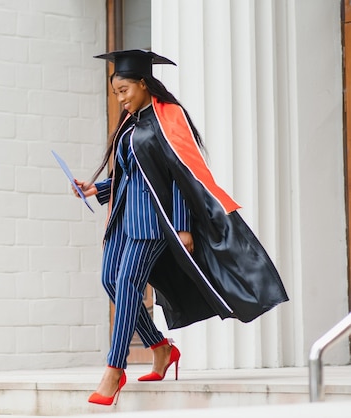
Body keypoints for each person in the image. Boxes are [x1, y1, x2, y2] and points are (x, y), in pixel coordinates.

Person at [73, 50, 288, 406]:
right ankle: (160, 348)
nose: (121, 98)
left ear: (143, 83)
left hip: (154, 222)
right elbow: (130, 174)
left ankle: (114, 368)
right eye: (116, 93)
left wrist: (183, 226)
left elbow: (180, 173)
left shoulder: (168, 116)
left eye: (124, 90)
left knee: (128, 283)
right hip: (124, 218)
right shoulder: (129, 124)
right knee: (111, 280)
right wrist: (98, 188)